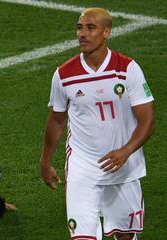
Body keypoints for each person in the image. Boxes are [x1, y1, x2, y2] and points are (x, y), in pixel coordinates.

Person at [39, 7, 154, 240]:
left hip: (124, 166)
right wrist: (45, 160)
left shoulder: (127, 69)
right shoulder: (64, 74)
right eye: (80, 28)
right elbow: (56, 120)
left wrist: (125, 151)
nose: (83, 33)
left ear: (106, 32)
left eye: (91, 28)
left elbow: (148, 120)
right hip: (83, 166)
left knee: (126, 235)